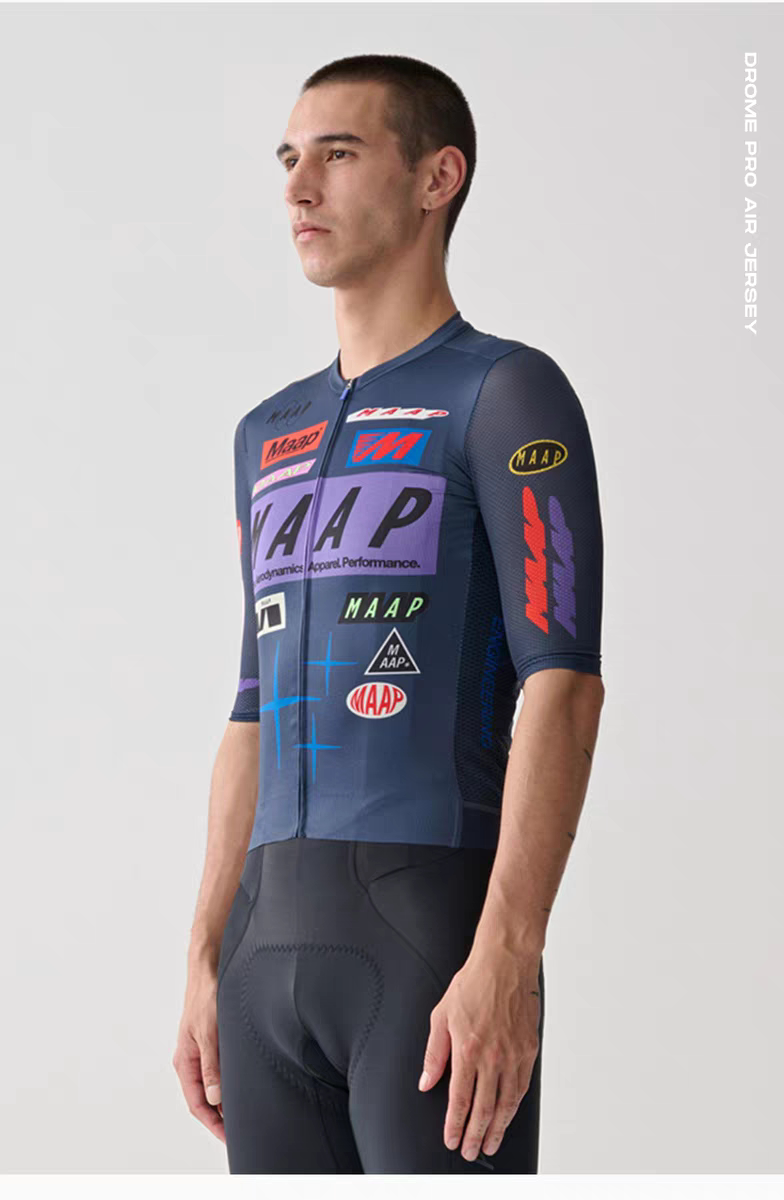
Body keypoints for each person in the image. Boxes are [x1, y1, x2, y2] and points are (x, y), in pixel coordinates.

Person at [173, 53, 605, 1174]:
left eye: (338, 152)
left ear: (435, 178)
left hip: (427, 948)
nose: (297, 185)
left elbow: (563, 682)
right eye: (288, 157)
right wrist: (204, 953)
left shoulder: (504, 394)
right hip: (262, 959)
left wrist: (508, 953)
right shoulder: (264, 436)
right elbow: (252, 707)